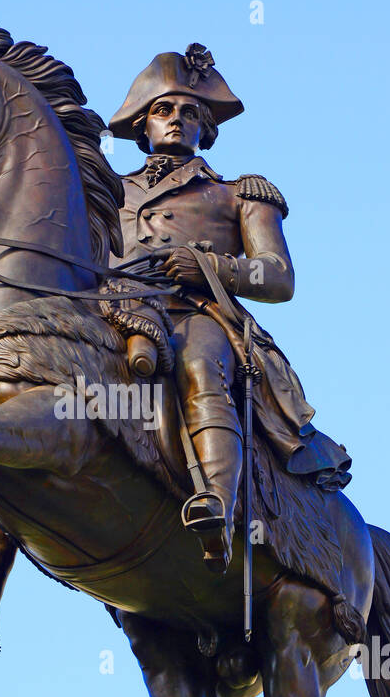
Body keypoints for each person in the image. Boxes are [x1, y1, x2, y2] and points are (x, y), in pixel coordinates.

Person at [107, 43, 350, 573]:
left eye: (190, 112)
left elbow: (278, 277)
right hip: (114, 309)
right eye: (163, 110)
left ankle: (215, 502)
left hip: (195, 313)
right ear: (142, 125)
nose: (176, 121)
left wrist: (211, 268)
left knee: (201, 365)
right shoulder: (106, 191)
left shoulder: (239, 194)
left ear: (206, 127)